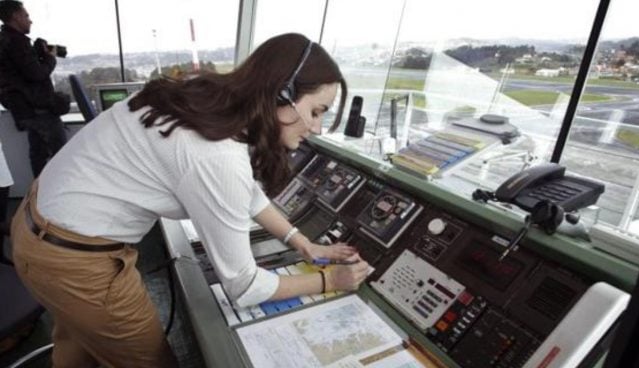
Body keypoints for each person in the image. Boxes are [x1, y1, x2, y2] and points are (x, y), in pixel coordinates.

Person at [10, 32, 370, 367]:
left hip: (37, 224)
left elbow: (241, 190)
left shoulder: (201, 96)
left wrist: (301, 242)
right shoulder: (218, 156)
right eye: (317, 111)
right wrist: (330, 281)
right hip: (72, 260)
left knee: (76, 341)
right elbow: (244, 287)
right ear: (281, 94)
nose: (317, 128)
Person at [0, 0, 67, 177]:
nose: (30, 21)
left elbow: (22, 71)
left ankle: (38, 198)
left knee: (38, 156)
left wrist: (37, 54)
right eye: (26, 16)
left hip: (27, 110)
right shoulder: (17, 42)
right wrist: (49, 58)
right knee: (62, 157)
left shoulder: (6, 41)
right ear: (15, 16)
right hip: (39, 110)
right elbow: (36, 74)